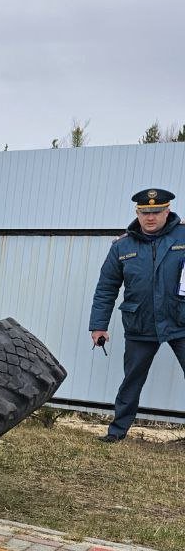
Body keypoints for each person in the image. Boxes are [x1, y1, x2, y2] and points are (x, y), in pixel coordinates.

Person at [88, 187, 185, 442]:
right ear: (137, 212)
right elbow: (106, 288)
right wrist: (98, 326)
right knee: (132, 380)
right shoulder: (122, 246)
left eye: (156, 211)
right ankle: (117, 431)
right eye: (145, 212)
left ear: (168, 211)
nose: (150, 217)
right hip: (139, 323)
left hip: (180, 321)